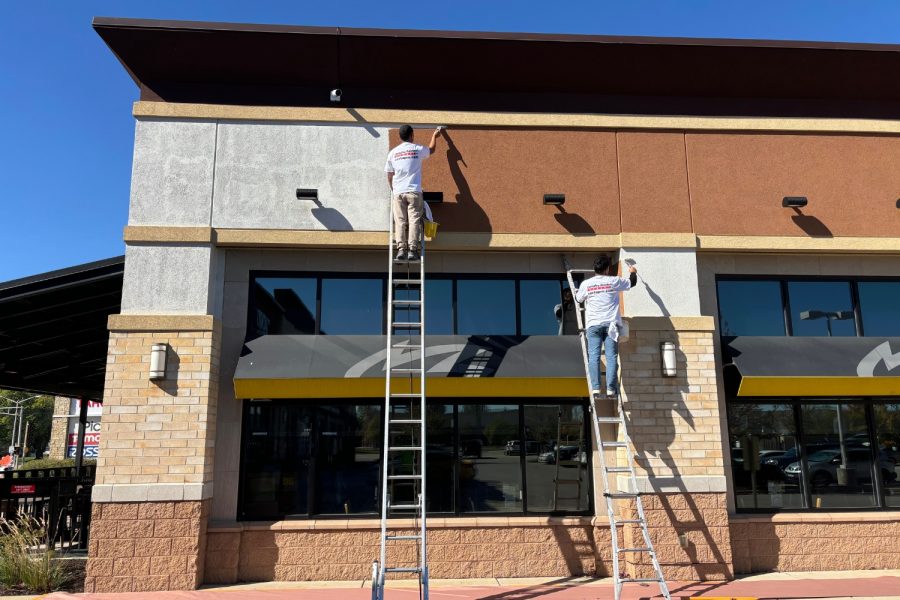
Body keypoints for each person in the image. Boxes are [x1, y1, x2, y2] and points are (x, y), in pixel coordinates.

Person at [574, 255, 638, 398]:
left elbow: (578, 299)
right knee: (611, 357)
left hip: (593, 325)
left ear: (594, 269)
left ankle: (596, 389)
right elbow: (632, 283)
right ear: (607, 269)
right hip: (611, 326)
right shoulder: (613, 281)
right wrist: (632, 271)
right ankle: (610, 389)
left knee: (594, 357)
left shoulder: (586, 284)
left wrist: (579, 291)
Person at [385, 124, 442, 261]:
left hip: (399, 192)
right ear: (412, 135)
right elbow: (431, 149)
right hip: (414, 192)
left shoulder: (393, 153)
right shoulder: (417, 149)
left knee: (400, 221)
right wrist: (435, 136)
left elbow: (389, 174)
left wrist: (393, 189)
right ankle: (412, 250)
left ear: (400, 136)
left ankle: (401, 250)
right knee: (414, 220)